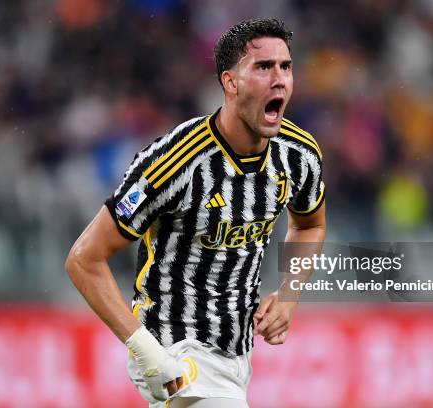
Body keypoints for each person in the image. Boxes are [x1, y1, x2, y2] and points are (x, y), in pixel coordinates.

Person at [65, 18, 326, 408]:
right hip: (175, 350)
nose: (279, 79)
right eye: (263, 67)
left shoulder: (299, 155)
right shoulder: (174, 161)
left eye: (285, 67)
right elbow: (84, 259)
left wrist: (288, 295)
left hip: (237, 355)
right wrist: (148, 353)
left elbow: (310, 224)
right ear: (230, 82)